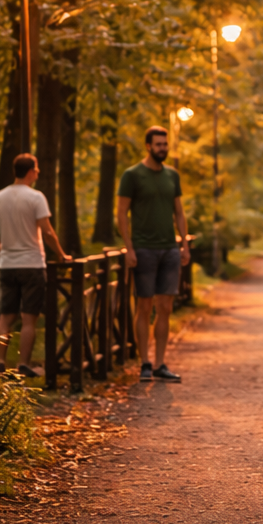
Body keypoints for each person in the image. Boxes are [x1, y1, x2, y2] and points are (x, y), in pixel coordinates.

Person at [118, 126, 190, 383]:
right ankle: (145, 363)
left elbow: (178, 212)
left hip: (169, 249)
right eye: (158, 144)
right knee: (144, 306)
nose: (163, 148)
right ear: (148, 146)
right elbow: (121, 214)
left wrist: (184, 244)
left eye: (165, 144)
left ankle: (160, 363)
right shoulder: (133, 175)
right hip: (144, 249)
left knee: (166, 307)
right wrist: (129, 247)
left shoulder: (172, 175)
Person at [0, 154, 71, 377]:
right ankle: (23, 364)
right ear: (31, 171)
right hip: (32, 264)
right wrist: (61, 254)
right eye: (37, 170)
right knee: (29, 318)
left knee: (5, 317)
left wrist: (0, 255)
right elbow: (47, 231)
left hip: (8, 265)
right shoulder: (36, 198)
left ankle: (1, 363)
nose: (38, 173)